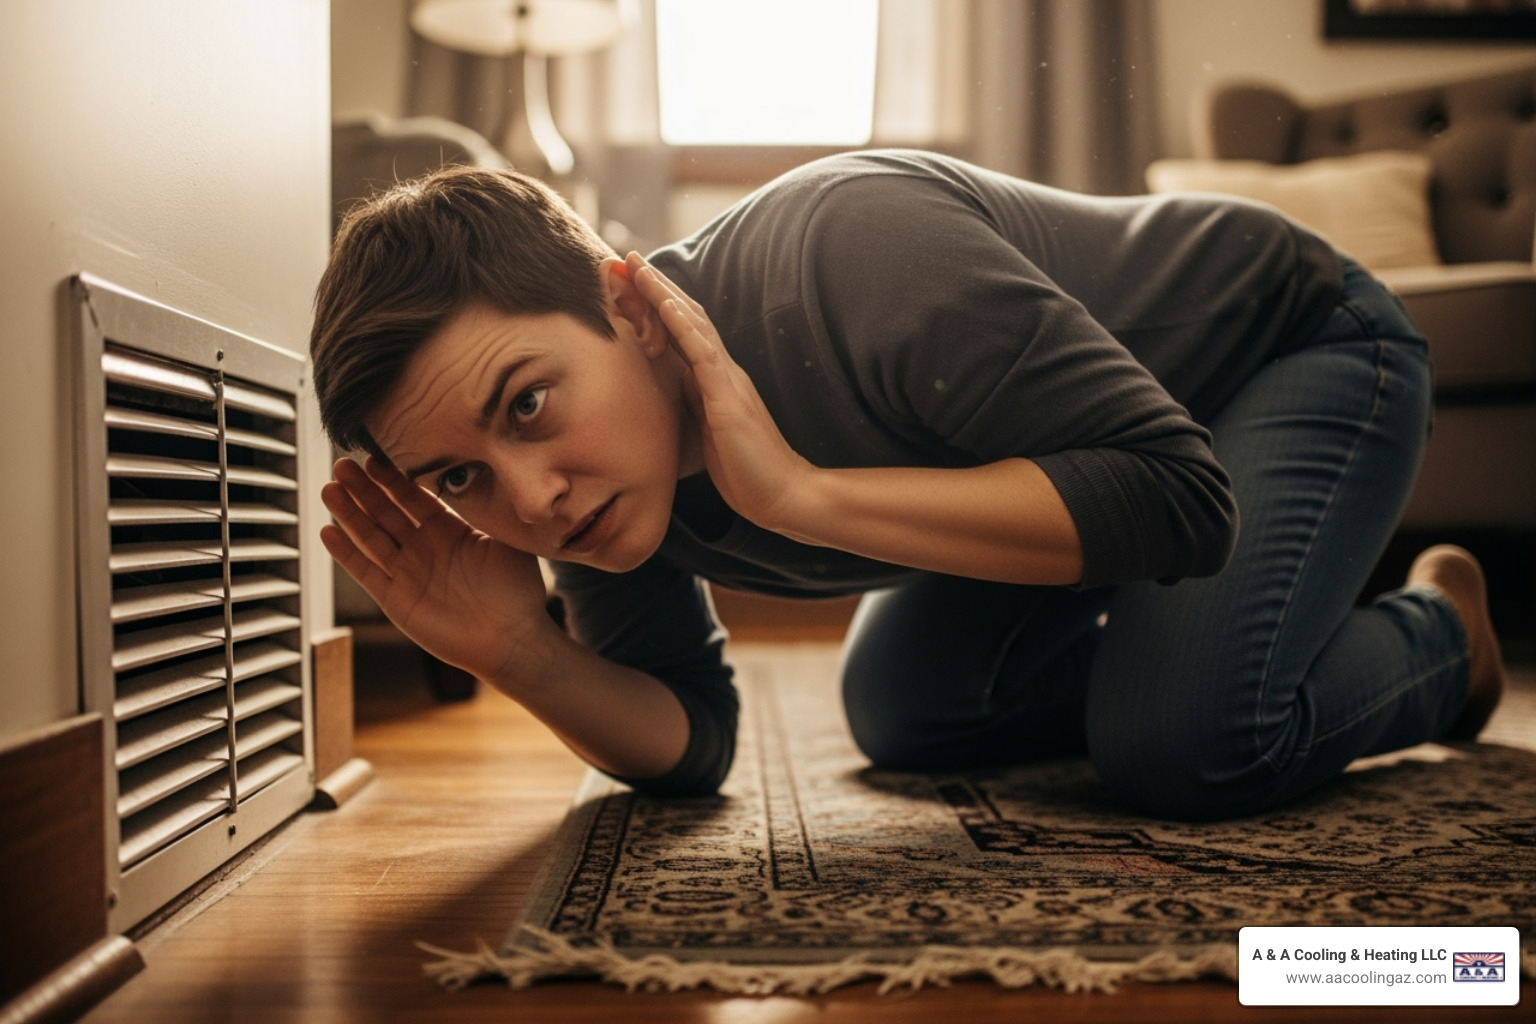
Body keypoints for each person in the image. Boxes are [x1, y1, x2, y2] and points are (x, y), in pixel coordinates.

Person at [310, 150, 1505, 821]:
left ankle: (1442, 634)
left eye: (526, 404)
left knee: (1186, 748)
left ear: (625, 303)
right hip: (1071, 463)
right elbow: (696, 741)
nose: (529, 500)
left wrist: (798, 497)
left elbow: (1182, 503)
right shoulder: (583, 481)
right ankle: (1201, 646)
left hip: (1287, 350)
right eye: (460, 475)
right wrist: (520, 652)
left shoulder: (847, 251)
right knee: (904, 711)